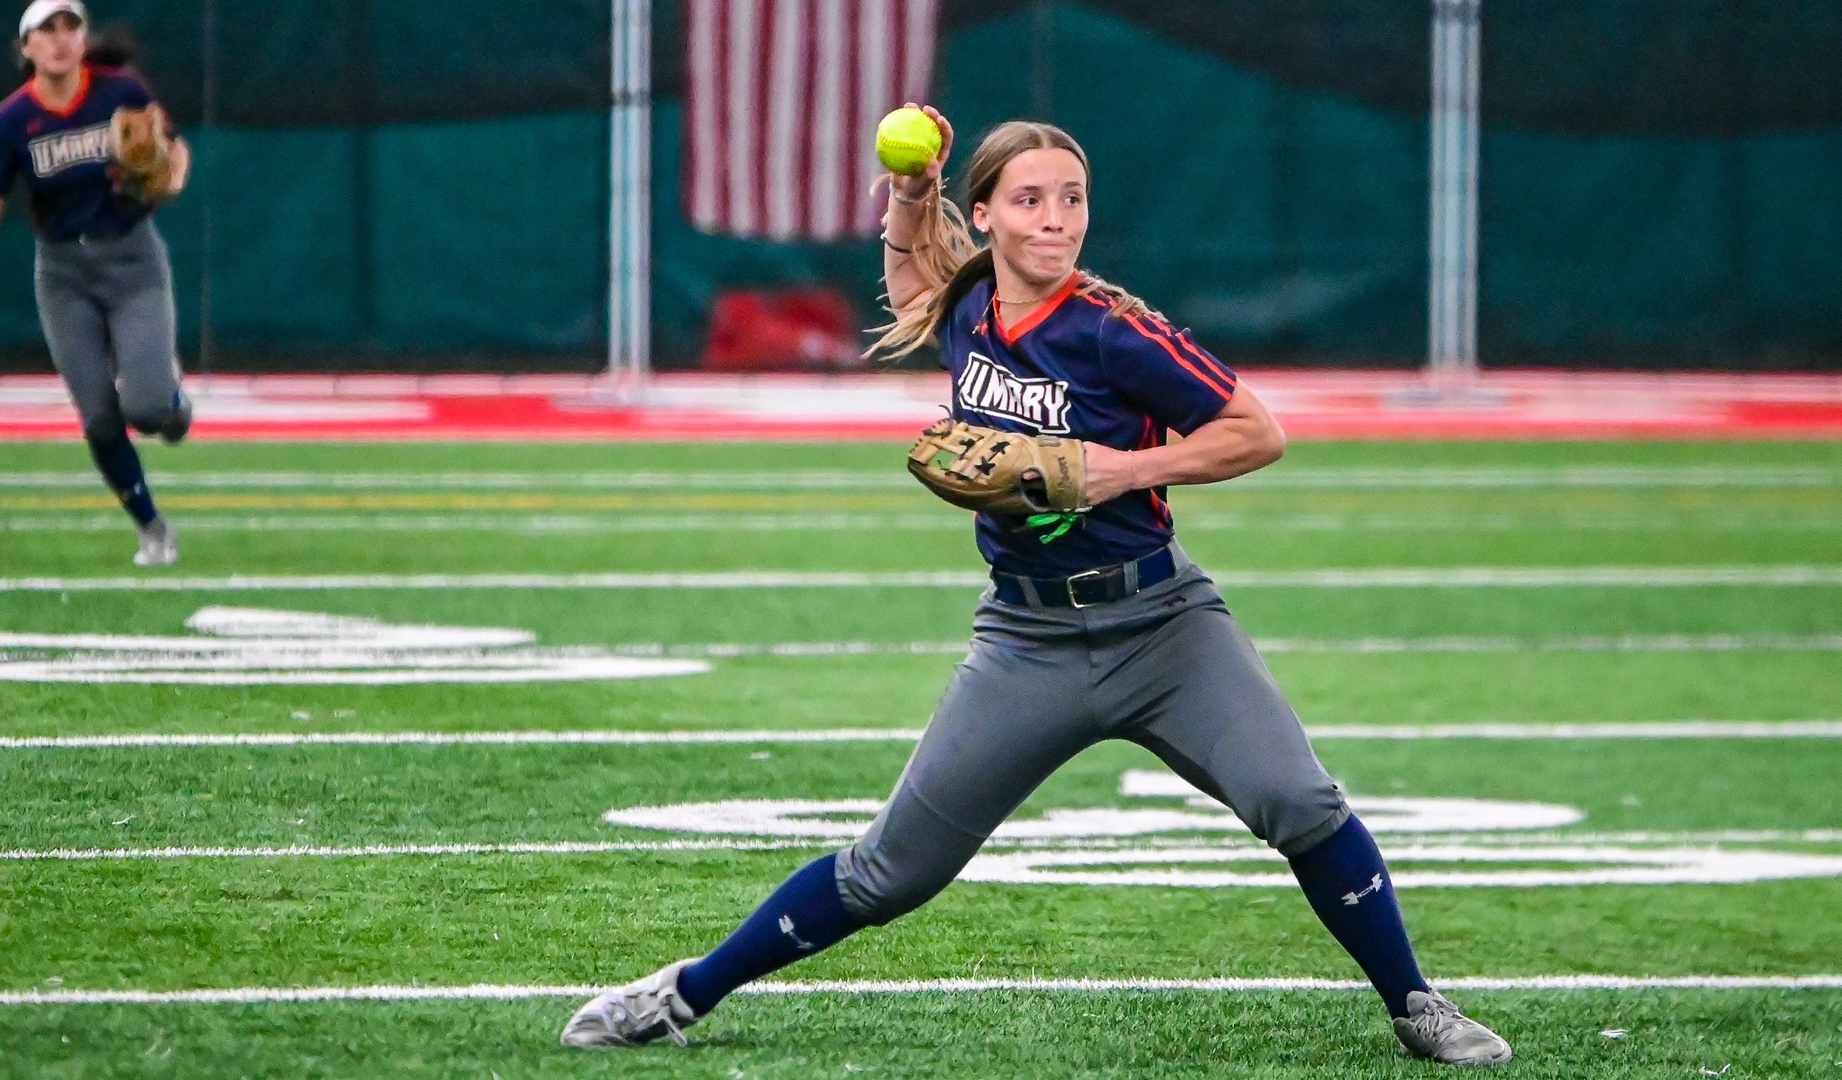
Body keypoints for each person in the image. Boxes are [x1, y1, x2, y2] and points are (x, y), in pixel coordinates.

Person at [562, 106, 1513, 1067]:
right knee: (890, 872)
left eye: (1071, 199)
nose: (1055, 219)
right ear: (983, 216)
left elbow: (1255, 432)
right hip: (1025, 641)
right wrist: (910, 192)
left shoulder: (1115, 333)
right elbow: (914, 283)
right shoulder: (973, 307)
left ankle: (1416, 1004)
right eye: (1029, 200)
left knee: (1298, 802)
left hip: (1164, 628)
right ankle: (683, 991)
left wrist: (1119, 470)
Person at [0, 0, 194, 567]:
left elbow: (175, 149)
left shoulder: (119, 90)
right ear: (27, 48)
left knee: (145, 407)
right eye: (47, 29)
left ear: (84, 39)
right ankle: (153, 527)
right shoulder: (11, 120)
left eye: (71, 27)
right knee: (98, 416)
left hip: (132, 260)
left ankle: (171, 403)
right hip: (64, 275)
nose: (60, 38)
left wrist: (170, 178)